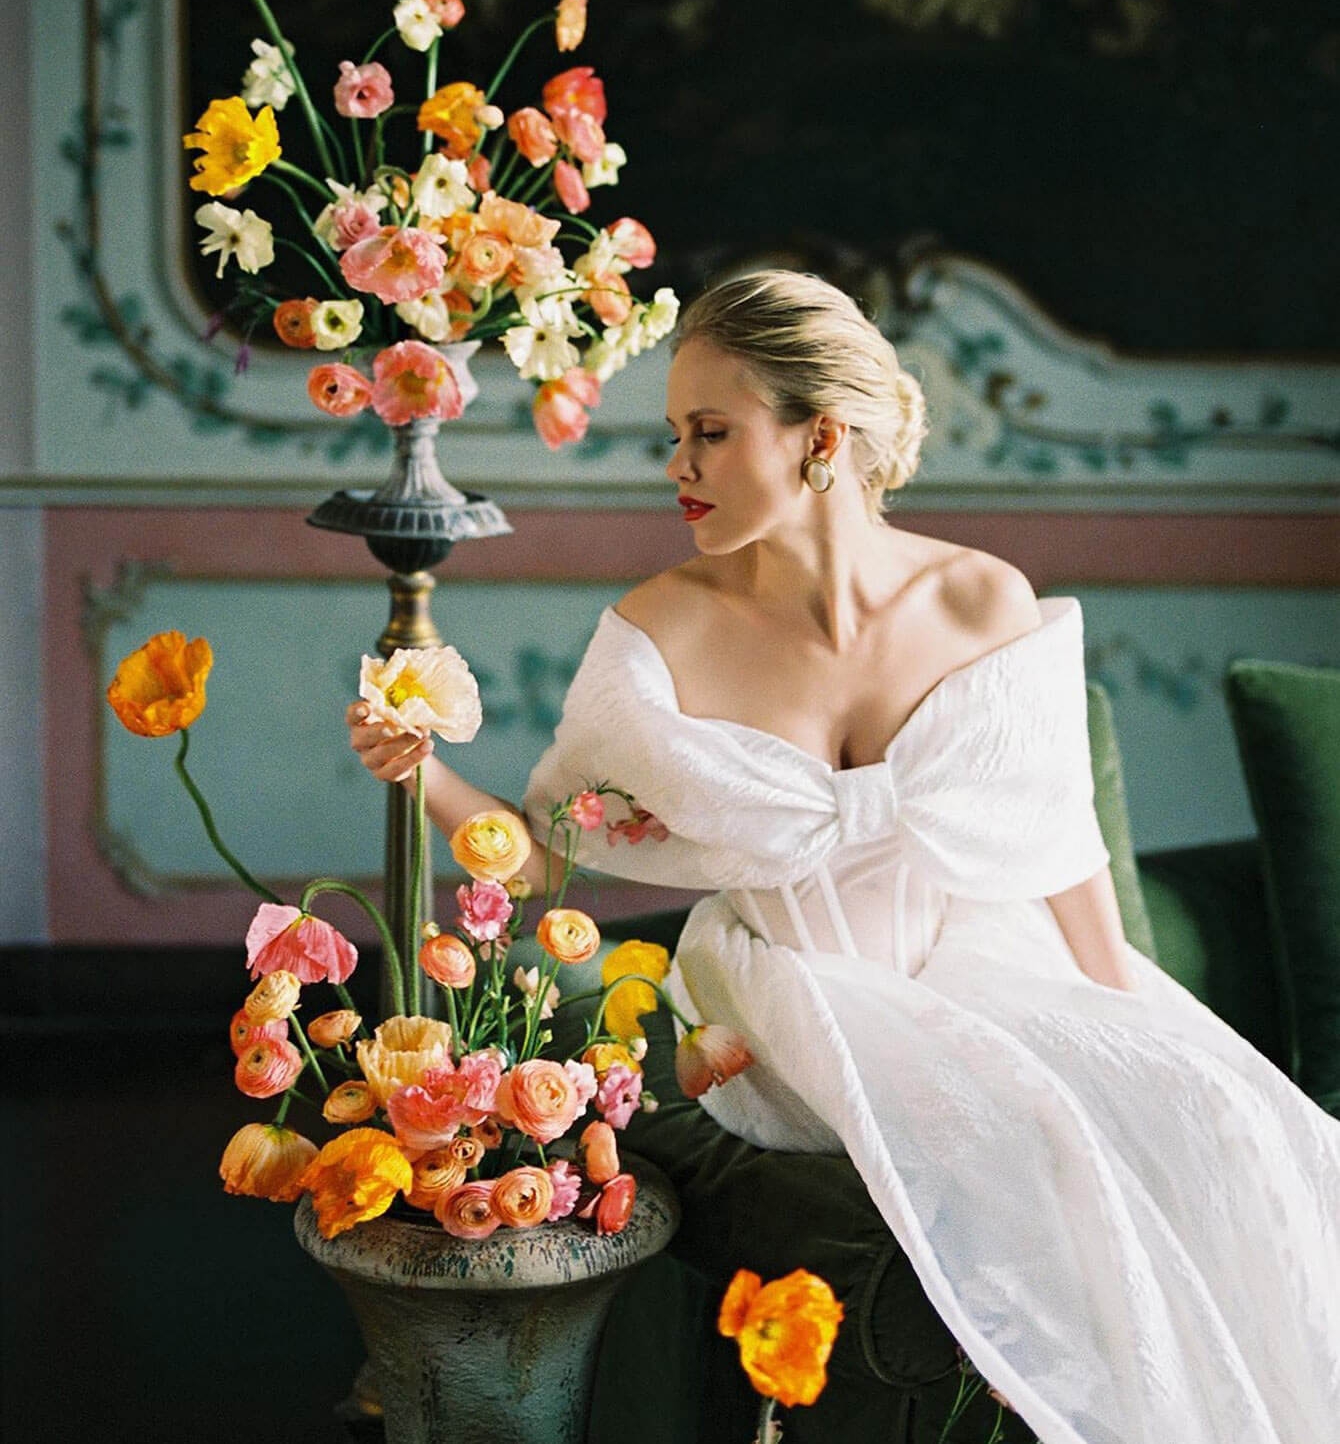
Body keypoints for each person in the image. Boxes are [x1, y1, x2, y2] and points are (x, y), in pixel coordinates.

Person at [348, 270, 1340, 1444]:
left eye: (710, 433)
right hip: (787, 995)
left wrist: (1119, 999)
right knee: (1029, 1136)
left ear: (818, 438)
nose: (677, 466)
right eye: (676, 434)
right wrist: (422, 777)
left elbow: (1051, 828)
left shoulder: (980, 600)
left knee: (1223, 1118)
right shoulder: (659, 629)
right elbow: (548, 854)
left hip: (974, 956)